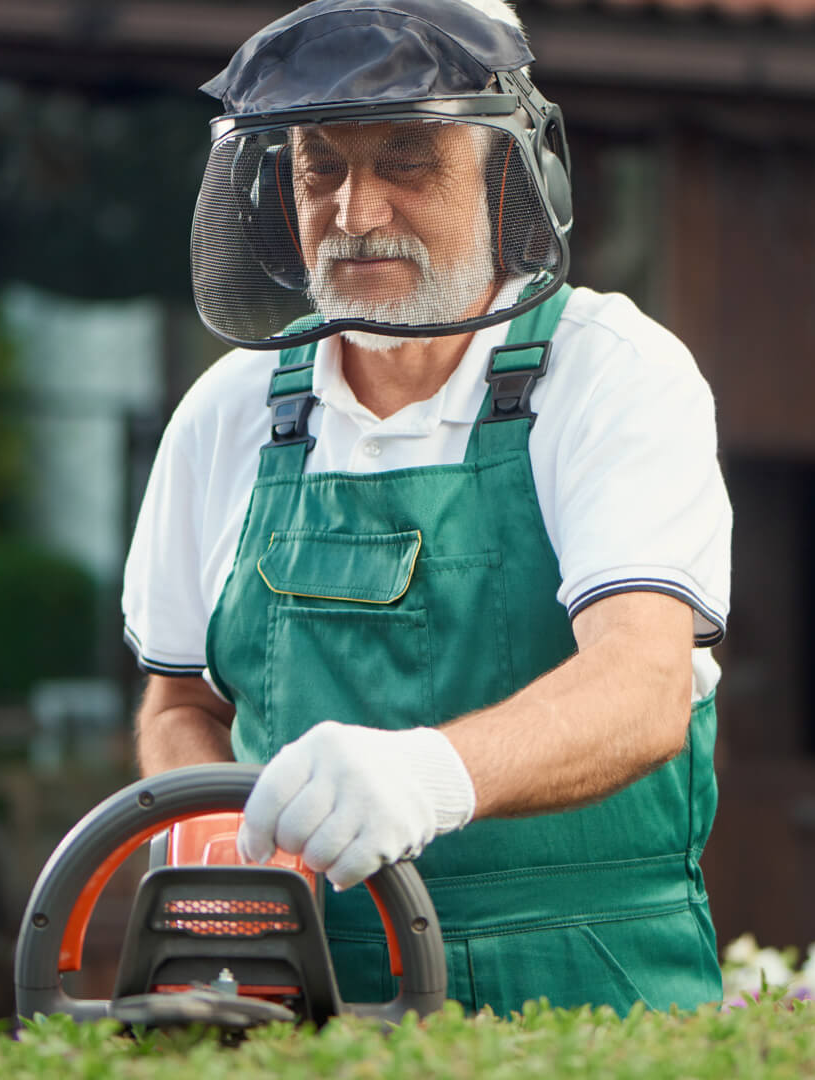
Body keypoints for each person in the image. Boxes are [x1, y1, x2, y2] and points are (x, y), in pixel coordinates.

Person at [122, 0, 732, 1016]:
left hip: (592, 992)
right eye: (322, 167)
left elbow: (644, 683)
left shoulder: (611, 374)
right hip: (298, 995)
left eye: (407, 162)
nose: (355, 214)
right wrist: (218, 837)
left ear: (509, 173)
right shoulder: (229, 412)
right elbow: (180, 703)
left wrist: (428, 777)